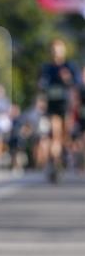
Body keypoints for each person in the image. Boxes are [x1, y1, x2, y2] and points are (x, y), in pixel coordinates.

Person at [38, 38, 79, 182]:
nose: (56, 53)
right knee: (54, 135)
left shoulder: (70, 66)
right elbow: (41, 85)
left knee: (64, 137)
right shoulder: (47, 68)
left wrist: (67, 78)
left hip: (65, 105)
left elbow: (76, 83)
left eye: (59, 49)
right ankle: (54, 164)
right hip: (52, 106)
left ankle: (62, 159)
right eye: (54, 50)